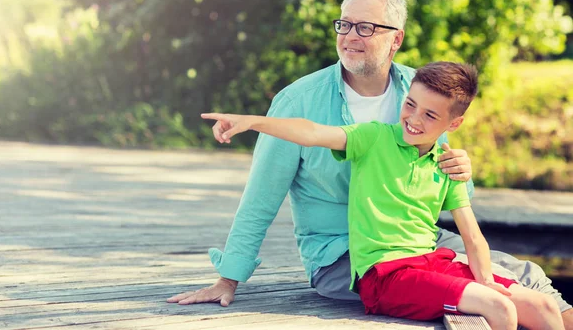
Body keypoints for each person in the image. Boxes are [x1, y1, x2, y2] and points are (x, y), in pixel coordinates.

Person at [168, 0, 572, 326]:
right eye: (344, 24)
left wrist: (462, 170)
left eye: (365, 27)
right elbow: (260, 199)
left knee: (531, 280)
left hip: (418, 242)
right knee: (498, 301)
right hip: (346, 257)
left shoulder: (421, 89)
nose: (349, 36)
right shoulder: (298, 101)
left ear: (395, 38)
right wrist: (229, 278)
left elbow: (441, 176)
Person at [198, 61, 564, 329]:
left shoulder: (445, 163)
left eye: (430, 115)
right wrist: (252, 121)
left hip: (429, 260)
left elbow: (473, 236)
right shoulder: (373, 138)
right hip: (384, 275)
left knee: (544, 309)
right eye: (410, 105)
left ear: (453, 125)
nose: (414, 120)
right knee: (498, 308)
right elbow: (310, 132)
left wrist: (482, 277)